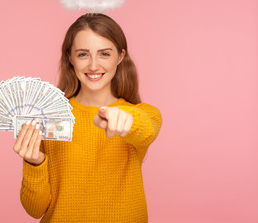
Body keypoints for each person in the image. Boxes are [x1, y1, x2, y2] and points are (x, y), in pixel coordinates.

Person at [13, 13, 162, 223]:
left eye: (104, 54)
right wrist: (34, 162)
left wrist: (127, 120)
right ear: (70, 58)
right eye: (83, 54)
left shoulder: (145, 113)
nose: (93, 66)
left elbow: (146, 129)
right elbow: (36, 210)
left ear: (120, 57)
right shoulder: (50, 118)